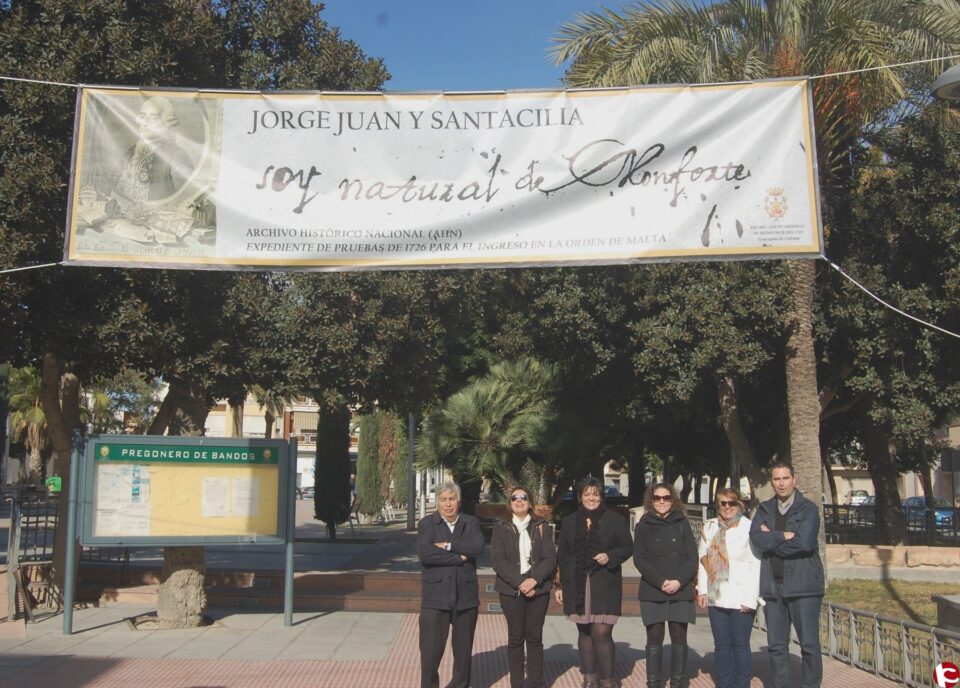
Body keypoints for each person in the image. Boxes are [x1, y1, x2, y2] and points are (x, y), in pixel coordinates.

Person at [749, 461, 825, 688]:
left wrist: (771, 538)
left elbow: (805, 543)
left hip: (804, 587)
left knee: (809, 645)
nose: (781, 483)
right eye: (776, 479)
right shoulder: (764, 509)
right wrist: (782, 535)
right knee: (777, 646)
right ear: (771, 481)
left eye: (785, 478)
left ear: (794, 479)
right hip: (773, 588)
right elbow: (756, 538)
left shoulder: (808, 509)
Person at [555, 477, 633, 688]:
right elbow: (562, 554)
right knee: (584, 631)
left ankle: (608, 680)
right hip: (577, 584)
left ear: (602, 496)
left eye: (595, 494)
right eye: (587, 494)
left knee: (601, 631)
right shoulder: (570, 521)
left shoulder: (615, 520)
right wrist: (559, 584)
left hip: (604, 583)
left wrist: (609, 556)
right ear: (580, 497)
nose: (591, 498)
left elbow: (627, 547)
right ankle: (589, 678)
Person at [418, 481, 485, 688]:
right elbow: (427, 554)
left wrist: (448, 545)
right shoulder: (427, 524)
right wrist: (459, 557)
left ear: (459, 501)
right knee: (429, 655)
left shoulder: (470, 522)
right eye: (443, 500)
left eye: (452, 499)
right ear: (437, 503)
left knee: (463, 656)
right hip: (435, 598)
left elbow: (478, 547)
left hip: (465, 599)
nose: (448, 504)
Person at [491, 485, 557, 688]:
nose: (519, 501)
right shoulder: (501, 526)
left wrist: (534, 580)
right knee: (516, 637)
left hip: (538, 588)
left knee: (535, 637)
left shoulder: (542, 525)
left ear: (530, 503)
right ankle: (517, 683)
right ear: (509, 503)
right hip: (511, 589)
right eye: (514, 498)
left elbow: (550, 558)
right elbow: (498, 561)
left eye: (523, 497)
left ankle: (536, 682)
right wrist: (520, 583)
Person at [633, 483, 698, 688]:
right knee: (654, 637)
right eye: (657, 498)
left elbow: (692, 557)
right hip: (654, 588)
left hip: (681, 587)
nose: (662, 502)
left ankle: (677, 683)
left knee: (679, 635)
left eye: (666, 498)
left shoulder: (682, 523)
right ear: (651, 501)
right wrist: (661, 581)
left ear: (673, 500)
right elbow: (639, 559)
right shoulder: (643, 525)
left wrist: (678, 580)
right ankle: (653, 683)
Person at [696, 488, 761, 688]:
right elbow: (703, 559)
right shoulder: (710, 527)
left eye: (731, 503)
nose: (727, 507)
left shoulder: (749, 527)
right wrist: (703, 590)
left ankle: (742, 684)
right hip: (717, 595)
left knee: (740, 645)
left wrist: (750, 598)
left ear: (739, 505)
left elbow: (755, 563)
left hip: (741, 596)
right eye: (723, 503)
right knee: (721, 645)